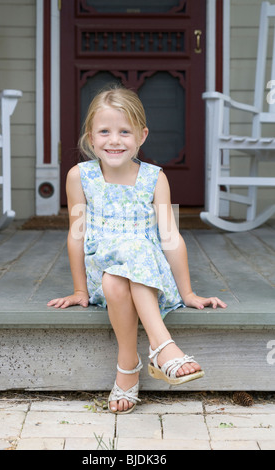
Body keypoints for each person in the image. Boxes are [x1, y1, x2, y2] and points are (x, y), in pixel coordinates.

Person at [48, 85, 227, 414]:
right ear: (90, 135)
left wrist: (187, 293)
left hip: (148, 273)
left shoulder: (155, 178)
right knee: (115, 273)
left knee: (125, 268)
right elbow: (76, 234)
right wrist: (79, 289)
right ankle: (162, 347)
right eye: (104, 131)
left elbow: (170, 237)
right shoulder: (79, 176)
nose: (114, 140)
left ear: (141, 136)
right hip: (101, 268)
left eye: (124, 132)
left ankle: (128, 367)